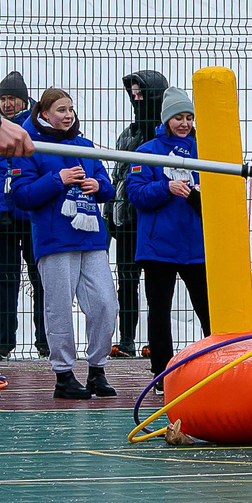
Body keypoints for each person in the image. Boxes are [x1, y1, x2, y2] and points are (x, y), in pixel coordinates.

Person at [8, 88, 120, 400]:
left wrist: (98, 186)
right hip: (55, 240)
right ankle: (64, 374)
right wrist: (58, 179)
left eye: (70, 108)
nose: (68, 114)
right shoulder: (29, 147)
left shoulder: (84, 144)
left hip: (92, 238)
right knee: (58, 308)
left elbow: (107, 188)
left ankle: (97, 369)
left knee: (105, 304)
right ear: (44, 113)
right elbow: (21, 197)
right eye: (60, 109)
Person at [122, 86, 210, 375]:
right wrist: (165, 187)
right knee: (159, 313)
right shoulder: (146, 152)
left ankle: (216, 362)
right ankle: (162, 372)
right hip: (158, 248)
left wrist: (195, 195)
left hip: (196, 248)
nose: (184, 123)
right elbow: (136, 195)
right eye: (178, 118)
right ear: (165, 120)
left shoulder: (204, 151)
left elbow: (219, 197)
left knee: (208, 311)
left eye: (188, 117)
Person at [110, 70, 169, 358]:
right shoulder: (128, 134)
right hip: (125, 221)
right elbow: (117, 176)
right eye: (133, 93)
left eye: (141, 92)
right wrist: (111, 212)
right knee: (126, 280)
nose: (136, 98)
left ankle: (154, 341)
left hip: (153, 220)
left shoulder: (163, 137)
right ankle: (126, 339)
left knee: (156, 284)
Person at [0, 72, 46, 360]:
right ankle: (2, 343)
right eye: (3, 98)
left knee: (41, 279)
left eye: (12, 98)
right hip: (2, 215)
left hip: (32, 214)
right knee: (1, 279)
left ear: (24, 99)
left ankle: (45, 343)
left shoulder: (35, 125)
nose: (7, 104)